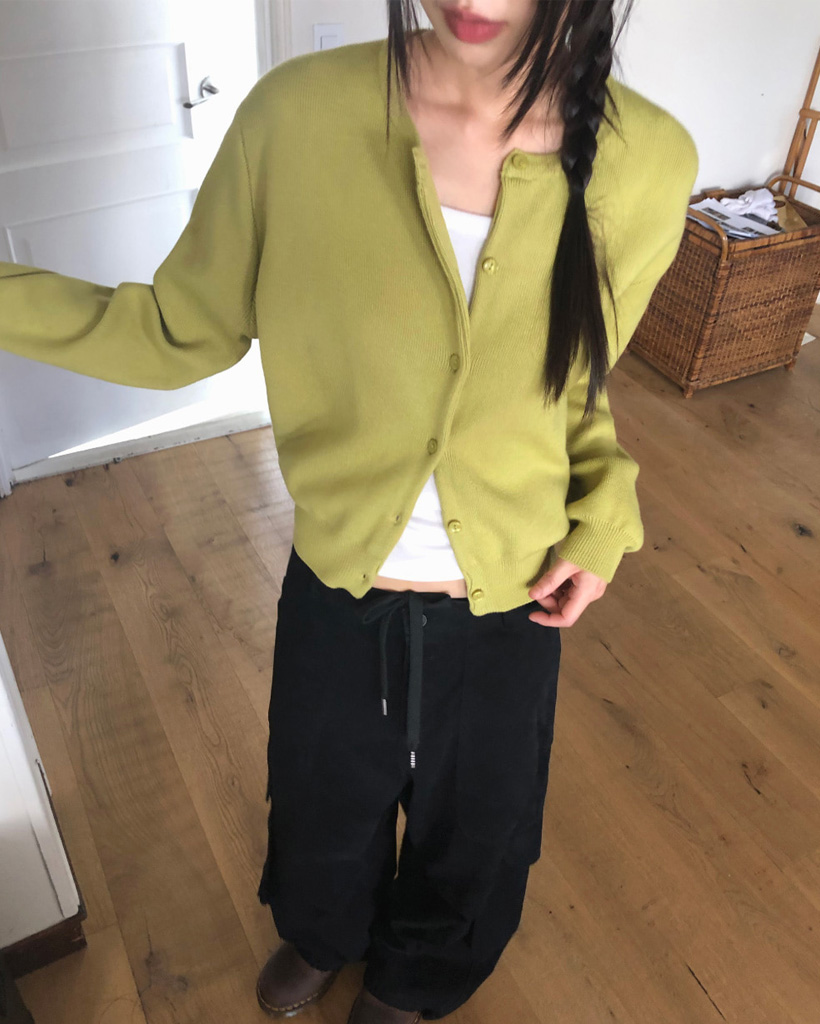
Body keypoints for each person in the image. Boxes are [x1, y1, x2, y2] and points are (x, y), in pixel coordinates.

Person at [0, 1, 699, 1021]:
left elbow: (577, 388)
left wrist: (605, 522)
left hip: (513, 600)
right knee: (322, 801)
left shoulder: (650, 164)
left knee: (481, 827)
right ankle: (324, 935)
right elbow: (175, 331)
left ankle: (416, 981)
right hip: (337, 581)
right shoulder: (295, 117)